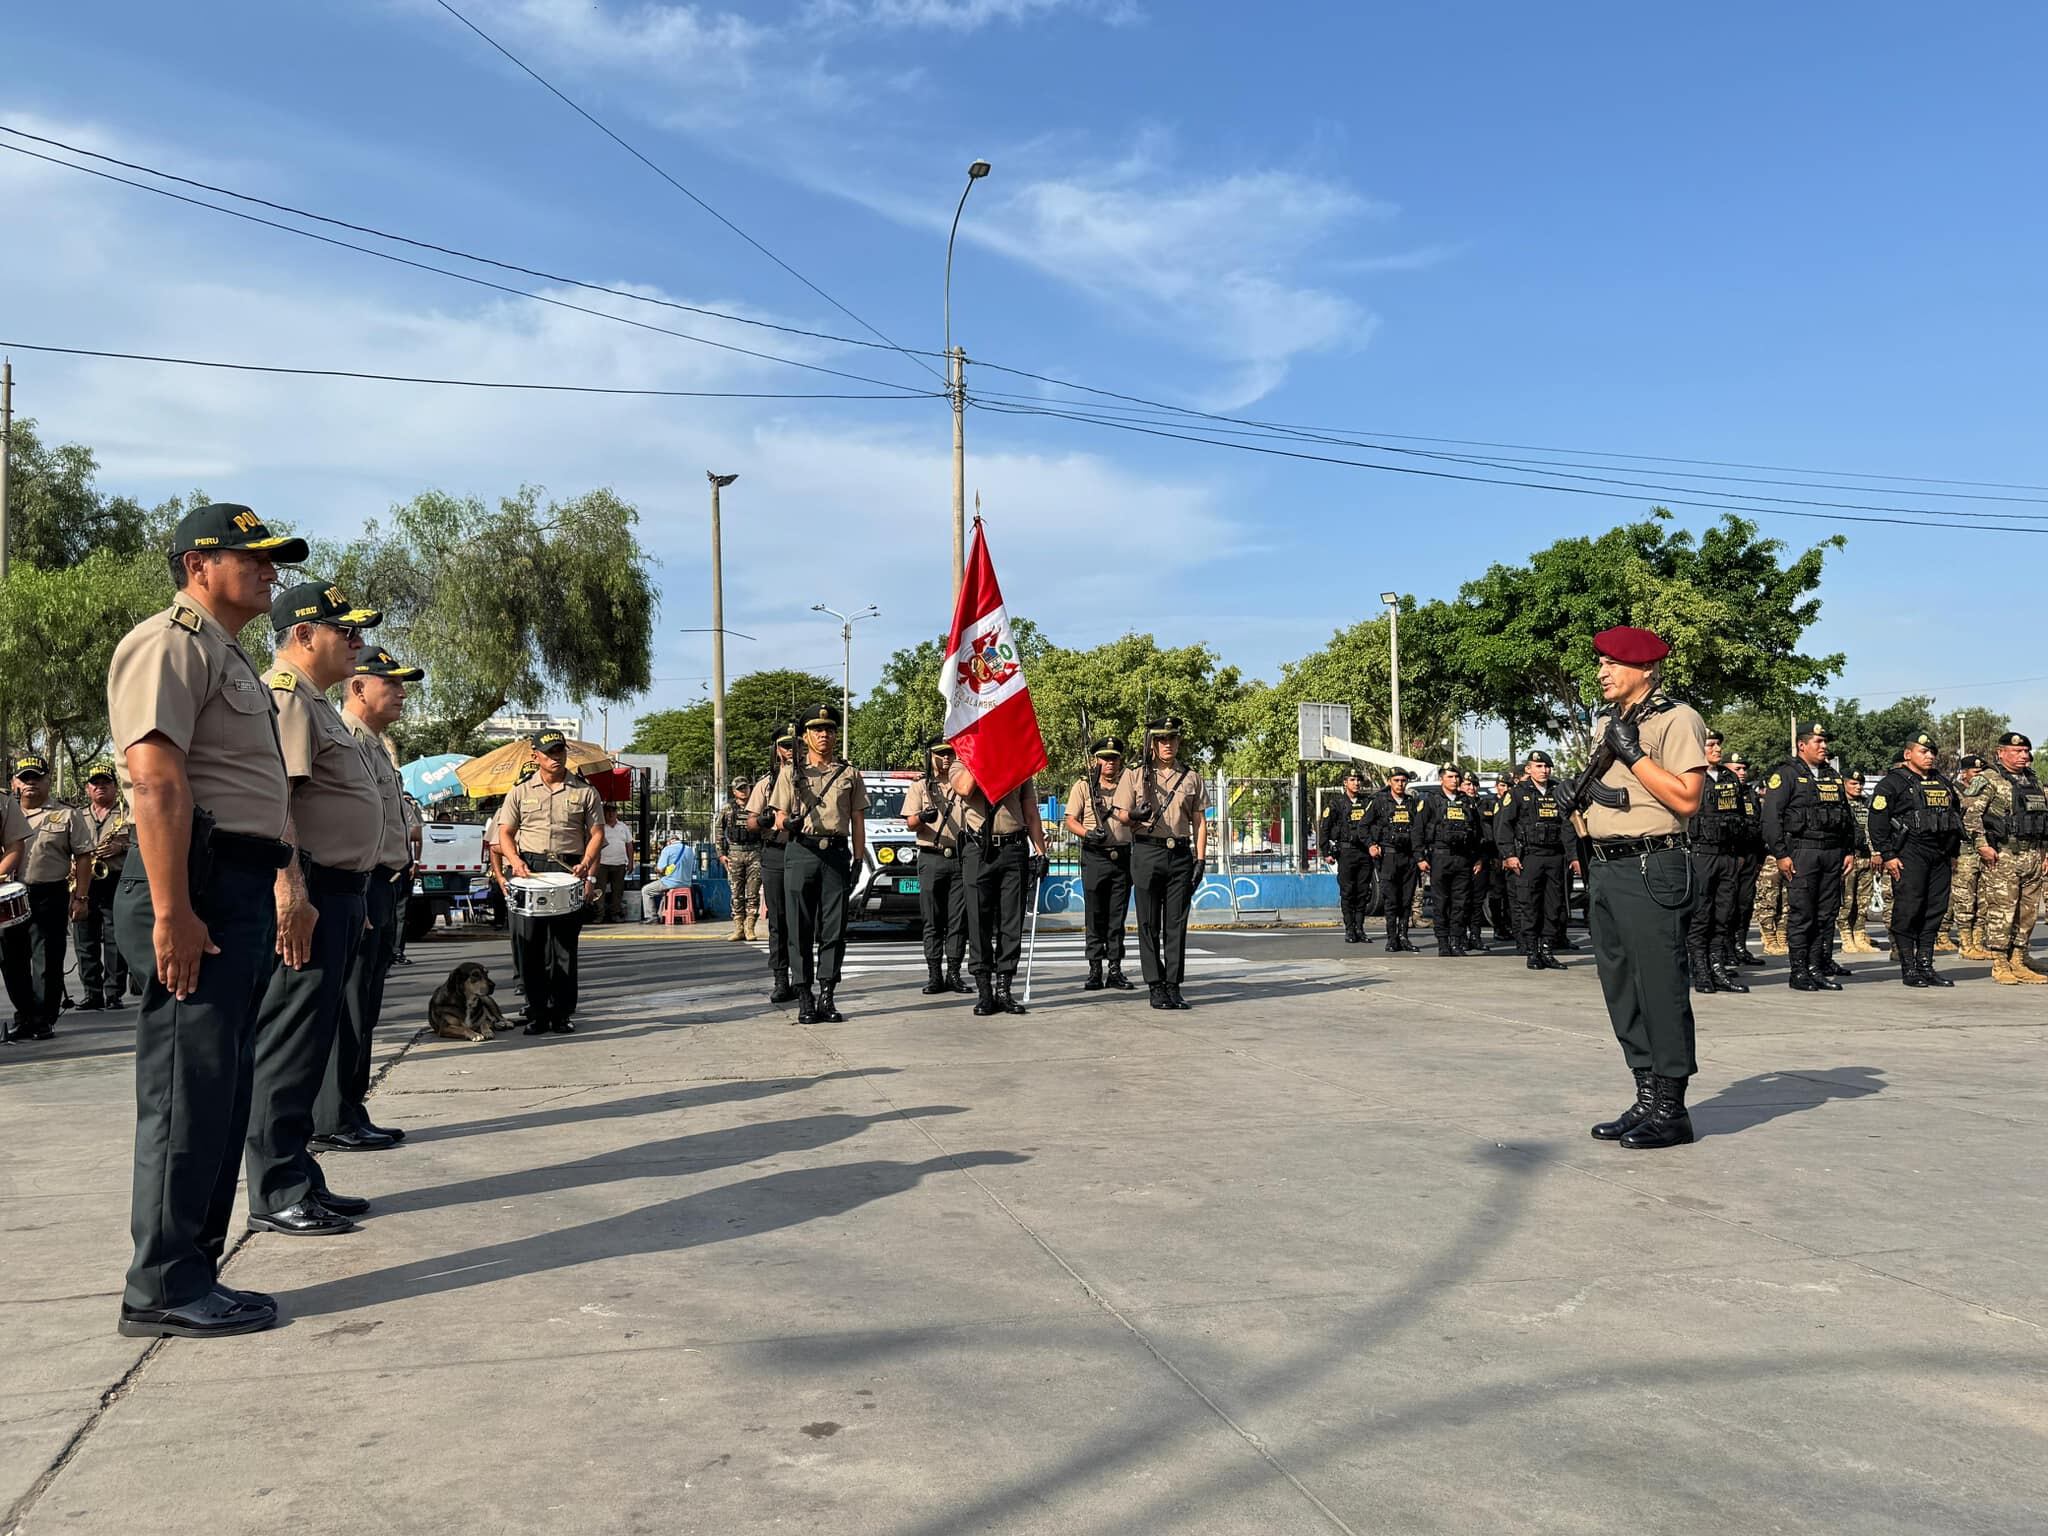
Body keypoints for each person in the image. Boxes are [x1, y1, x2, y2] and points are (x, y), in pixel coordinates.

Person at [107, 502, 306, 1339]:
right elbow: (154, 779)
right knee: (187, 1089)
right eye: (251, 556)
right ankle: (160, 1284)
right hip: (195, 886)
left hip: (234, 886)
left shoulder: (225, 653)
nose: (269, 570)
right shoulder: (169, 643)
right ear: (198, 564)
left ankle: (193, 1270)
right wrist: (173, 911)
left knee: (220, 1089)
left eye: (272, 558)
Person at [243, 581, 386, 1236]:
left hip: (339, 893)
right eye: (344, 630)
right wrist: (291, 891)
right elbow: (278, 803)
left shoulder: (316, 702)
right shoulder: (287, 697)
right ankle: (276, 1188)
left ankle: (299, 1172)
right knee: (289, 1044)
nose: (357, 642)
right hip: (312, 893)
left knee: (311, 1043)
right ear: (303, 635)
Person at [1578, 625, 1711, 1151]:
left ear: (1646, 668)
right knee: (1622, 988)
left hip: (1652, 865)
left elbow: (1687, 799)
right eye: (1601, 663)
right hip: (1606, 867)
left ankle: (1672, 1110)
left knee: (1659, 986)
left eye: (1613, 663)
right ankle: (1647, 1097)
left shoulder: (1678, 719)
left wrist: (1634, 755)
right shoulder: (1607, 721)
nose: (1603, 671)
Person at [316, 642, 424, 1149]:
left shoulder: (374, 744)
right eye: (391, 683)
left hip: (383, 885)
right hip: (359, 883)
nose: (401, 693)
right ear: (358, 687)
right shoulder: (346, 738)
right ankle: (332, 1117)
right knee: (349, 1008)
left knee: (365, 1004)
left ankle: (350, 1108)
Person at [499, 729, 604, 1033]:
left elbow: (597, 833)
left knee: (564, 947)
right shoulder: (521, 791)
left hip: (569, 869)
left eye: (560, 751)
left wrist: (587, 866)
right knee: (530, 946)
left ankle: (561, 1013)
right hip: (531, 870)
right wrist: (515, 861)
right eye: (550, 752)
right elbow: (505, 832)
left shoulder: (585, 791)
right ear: (536, 756)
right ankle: (537, 1012)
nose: (556, 757)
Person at [769, 703, 868, 1022]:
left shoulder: (849, 774)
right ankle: (804, 995)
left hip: (835, 854)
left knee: (834, 928)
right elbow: (778, 816)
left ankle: (828, 994)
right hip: (802, 851)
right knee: (799, 927)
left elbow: (857, 820)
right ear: (805, 736)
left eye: (829, 729)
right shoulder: (791, 773)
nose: (824, 734)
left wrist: (857, 859)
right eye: (816, 729)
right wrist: (788, 823)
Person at [1113, 716, 1207, 1010]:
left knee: (1176, 924)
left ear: (1179, 741)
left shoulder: (1191, 777)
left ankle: (1173, 985)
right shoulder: (1135, 774)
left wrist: (1201, 859)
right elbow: (1119, 813)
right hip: (1146, 851)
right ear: (1152, 744)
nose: (1168, 744)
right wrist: (1134, 816)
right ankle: (1155, 985)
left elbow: (1199, 821)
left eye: (1172, 739)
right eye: (1161, 740)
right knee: (1148, 922)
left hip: (1179, 854)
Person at [1760, 724, 1858, 992]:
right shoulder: (1786, 774)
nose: (1824, 746)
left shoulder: (1832, 776)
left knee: (1825, 914)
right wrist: (1781, 854)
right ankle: (1799, 972)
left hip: (1832, 853)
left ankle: (1816, 968)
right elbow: (1771, 818)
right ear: (1802, 745)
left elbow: (1845, 816)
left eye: (1825, 741)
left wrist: (1849, 850)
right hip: (1802, 851)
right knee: (1803, 914)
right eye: (1818, 741)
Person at [2, 753, 92, 1039]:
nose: (30, 783)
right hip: (10, 896)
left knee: (47, 960)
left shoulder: (67, 814)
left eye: (36, 778)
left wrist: (81, 897)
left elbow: (84, 856)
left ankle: (43, 1019)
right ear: (15, 783)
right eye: (24, 778)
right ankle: (25, 1014)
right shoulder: (6, 810)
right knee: (10, 960)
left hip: (48, 893)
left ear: (47, 781)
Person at [1868, 732, 1964, 988]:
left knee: (1935, 910)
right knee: (1909, 909)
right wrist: (1887, 855)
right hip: (1909, 853)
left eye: (1932, 752)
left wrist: (1954, 853)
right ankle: (1908, 967)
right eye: (1924, 751)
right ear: (1908, 754)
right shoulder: (1892, 783)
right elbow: (1877, 821)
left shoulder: (1941, 782)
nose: (1930, 756)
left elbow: (1954, 817)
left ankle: (1925, 965)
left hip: (1940, 854)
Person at [1964, 731, 2048, 985]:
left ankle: (2019, 959)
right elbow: (1970, 815)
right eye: (2017, 751)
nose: (2023, 756)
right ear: (2001, 753)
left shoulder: (2032, 780)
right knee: (2002, 911)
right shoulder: (1989, 780)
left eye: (2025, 751)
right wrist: (1982, 846)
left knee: (2028, 912)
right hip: (2004, 855)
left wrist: (2045, 852)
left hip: (2032, 855)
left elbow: (2042, 820)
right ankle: (2000, 963)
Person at [1496, 749, 1576, 971]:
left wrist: (1573, 856)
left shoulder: (1558, 791)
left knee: (1554, 906)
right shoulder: (1518, 793)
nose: (1544, 770)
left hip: (1555, 857)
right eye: (1539, 766)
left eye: (1547, 766)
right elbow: (1504, 826)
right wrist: (1509, 854)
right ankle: (1532, 952)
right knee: (1530, 906)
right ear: (1529, 769)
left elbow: (1568, 826)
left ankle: (1547, 951)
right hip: (1530, 857)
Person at [1683, 732, 1750, 995]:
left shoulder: (1728, 777)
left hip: (1728, 855)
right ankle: (1700, 969)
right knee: (1701, 915)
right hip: (1701, 854)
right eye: (1710, 744)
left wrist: (1740, 853)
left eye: (1718, 744)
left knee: (1724, 915)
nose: (1717, 748)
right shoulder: (1690, 775)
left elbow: (1740, 816)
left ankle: (1717, 968)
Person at [906, 738, 972, 994]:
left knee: (958, 920)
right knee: (932, 919)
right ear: (930, 756)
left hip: (959, 856)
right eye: (941, 754)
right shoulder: (921, 786)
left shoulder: (963, 784)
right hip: (931, 855)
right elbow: (910, 823)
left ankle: (954, 973)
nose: (946, 758)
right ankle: (934, 974)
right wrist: (922, 817)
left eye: (950, 754)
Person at [72, 763, 134, 1012]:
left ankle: (113, 993)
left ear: (114, 787)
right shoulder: (77, 815)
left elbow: (144, 843)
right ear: (88, 789)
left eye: (105, 783)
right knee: (83, 938)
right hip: (84, 881)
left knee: (114, 937)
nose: (100, 787)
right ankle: (92, 993)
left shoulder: (127, 814)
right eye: (95, 783)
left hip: (115, 879)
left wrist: (121, 847)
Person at [747, 724, 801, 1003]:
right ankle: (781, 979)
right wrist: (762, 821)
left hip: (803, 850)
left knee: (802, 920)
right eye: (785, 746)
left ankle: (801, 979)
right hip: (776, 853)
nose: (791, 751)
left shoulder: (810, 778)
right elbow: (750, 821)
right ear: (777, 749)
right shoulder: (766, 783)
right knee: (778, 921)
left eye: (795, 745)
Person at [1414, 766, 1483, 958]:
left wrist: (1478, 858)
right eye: (1450, 777)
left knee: (1460, 903)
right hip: (1440, 857)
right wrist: (1420, 857)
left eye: (1456, 777)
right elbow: (1418, 830)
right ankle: (1443, 942)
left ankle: (1456, 941)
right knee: (1441, 902)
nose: (1454, 780)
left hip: (1463, 858)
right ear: (1442, 779)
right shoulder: (1431, 801)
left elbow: (1477, 832)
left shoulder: (1467, 802)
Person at [1362, 767, 1421, 953]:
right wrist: (1371, 845)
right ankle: (1392, 938)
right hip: (1388, 856)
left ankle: (1404, 937)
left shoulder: (1412, 803)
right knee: (1391, 899)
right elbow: (1363, 826)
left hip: (1408, 857)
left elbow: (1420, 829)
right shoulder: (1379, 802)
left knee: (1406, 899)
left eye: (1403, 781)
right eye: (1396, 780)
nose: (1400, 784)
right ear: (1389, 782)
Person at [1318, 766, 1376, 944]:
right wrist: (1326, 852)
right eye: (1352, 780)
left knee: (1363, 892)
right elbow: (1324, 828)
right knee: (1348, 891)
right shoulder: (1336, 804)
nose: (1356, 783)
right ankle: (1349, 929)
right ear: (1345, 783)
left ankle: (1360, 928)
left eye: (1358, 780)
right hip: (1346, 852)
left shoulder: (1367, 802)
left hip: (1364, 852)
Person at [1725, 753, 1768, 967]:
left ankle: (1740, 947)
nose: (1742, 772)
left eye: (1744, 769)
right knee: (1727, 905)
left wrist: (1760, 857)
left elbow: (1759, 825)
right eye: (1737, 769)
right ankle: (1726, 949)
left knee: (1745, 903)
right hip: (1731, 856)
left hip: (1750, 856)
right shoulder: (1723, 791)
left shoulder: (1750, 793)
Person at [1947, 754, 1991, 957]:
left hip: (1985, 852)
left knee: (1983, 900)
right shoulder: (1953, 792)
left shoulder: (1987, 792)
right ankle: (1965, 944)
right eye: (1976, 772)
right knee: (1964, 899)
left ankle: (1978, 942)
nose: (1980, 776)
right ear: (1964, 773)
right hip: (1963, 852)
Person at [712, 776, 762, 942]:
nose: (743, 791)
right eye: (740, 789)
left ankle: (750, 928)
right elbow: (719, 830)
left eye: (745, 787)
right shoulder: (728, 809)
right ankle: (738, 927)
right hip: (735, 853)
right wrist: (721, 853)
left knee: (753, 893)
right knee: (736, 893)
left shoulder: (758, 806)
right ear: (734, 791)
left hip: (754, 852)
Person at [1838, 769, 1881, 955]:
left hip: (1866, 857)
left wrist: (1875, 853)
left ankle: (1860, 934)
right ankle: (1846, 937)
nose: (1858, 787)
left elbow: (1873, 829)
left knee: (1863, 901)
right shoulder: (1840, 803)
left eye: (1860, 784)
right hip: (1848, 857)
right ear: (1844, 784)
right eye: (1853, 783)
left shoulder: (1867, 803)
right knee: (1847, 901)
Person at [392, 791, 424, 965]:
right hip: (379, 865)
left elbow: (417, 835)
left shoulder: (405, 807)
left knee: (401, 911)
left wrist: (416, 862)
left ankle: (396, 952)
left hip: (402, 863)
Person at [641, 829, 700, 922]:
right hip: (687, 883)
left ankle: (651, 916)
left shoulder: (667, 849)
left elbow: (660, 869)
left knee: (646, 890)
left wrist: (655, 868)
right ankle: (662, 915)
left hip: (670, 883)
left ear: (669, 842)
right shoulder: (689, 850)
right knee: (666, 892)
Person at [595, 803, 633, 922]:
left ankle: (615, 914)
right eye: (608, 811)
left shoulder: (623, 827)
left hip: (619, 863)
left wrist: (631, 862)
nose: (611, 814)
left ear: (616, 813)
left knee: (618, 891)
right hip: (602, 863)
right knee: (599, 891)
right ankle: (599, 915)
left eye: (613, 811)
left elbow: (629, 845)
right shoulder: (600, 827)